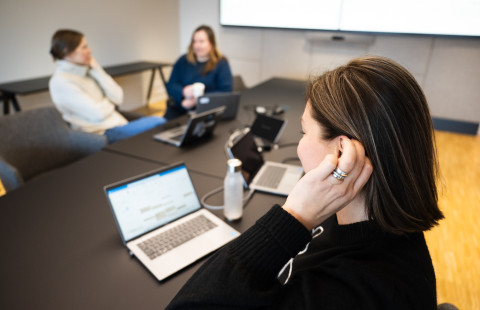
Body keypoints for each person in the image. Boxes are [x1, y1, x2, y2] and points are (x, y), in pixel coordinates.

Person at [166, 56, 444, 309]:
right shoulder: (372, 223)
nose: (299, 145)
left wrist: (293, 217)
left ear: (341, 153)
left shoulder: (349, 294)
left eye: (303, 131)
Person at [49, 29, 166, 144]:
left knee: (163, 129)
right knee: (158, 122)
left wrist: (97, 70)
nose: (90, 51)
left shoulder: (88, 72)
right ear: (68, 53)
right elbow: (98, 114)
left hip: (118, 124)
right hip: (99, 135)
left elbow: (118, 97)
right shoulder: (61, 82)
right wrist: (110, 101)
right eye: (84, 47)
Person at [164, 25, 233, 120]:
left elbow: (226, 92)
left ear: (211, 43)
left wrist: (201, 99)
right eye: (194, 41)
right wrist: (183, 92)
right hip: (180, 109)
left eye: (201, 41)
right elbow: (171, 85)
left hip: (207, 111)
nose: (197, 45)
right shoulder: (183, 61)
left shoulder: (221, 63)